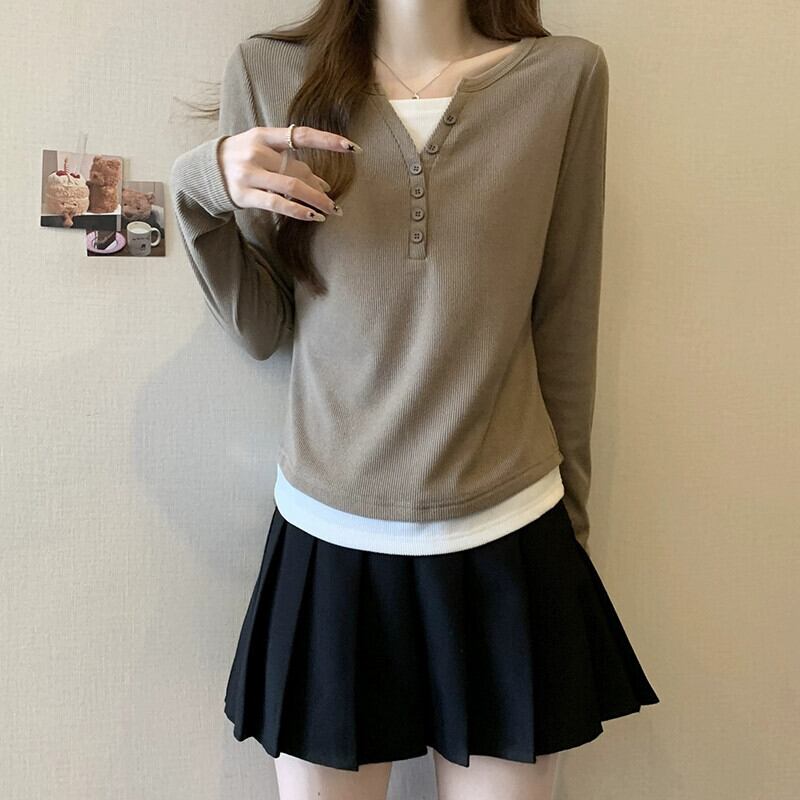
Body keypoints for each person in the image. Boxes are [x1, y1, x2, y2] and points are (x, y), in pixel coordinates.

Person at [170, 2, 660, 798]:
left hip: (511, 539)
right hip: (328, 537)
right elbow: (263, 329)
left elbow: (566, 319)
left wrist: (571, 532)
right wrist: (201, 185)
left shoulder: (565, 78)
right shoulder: (268, 74)